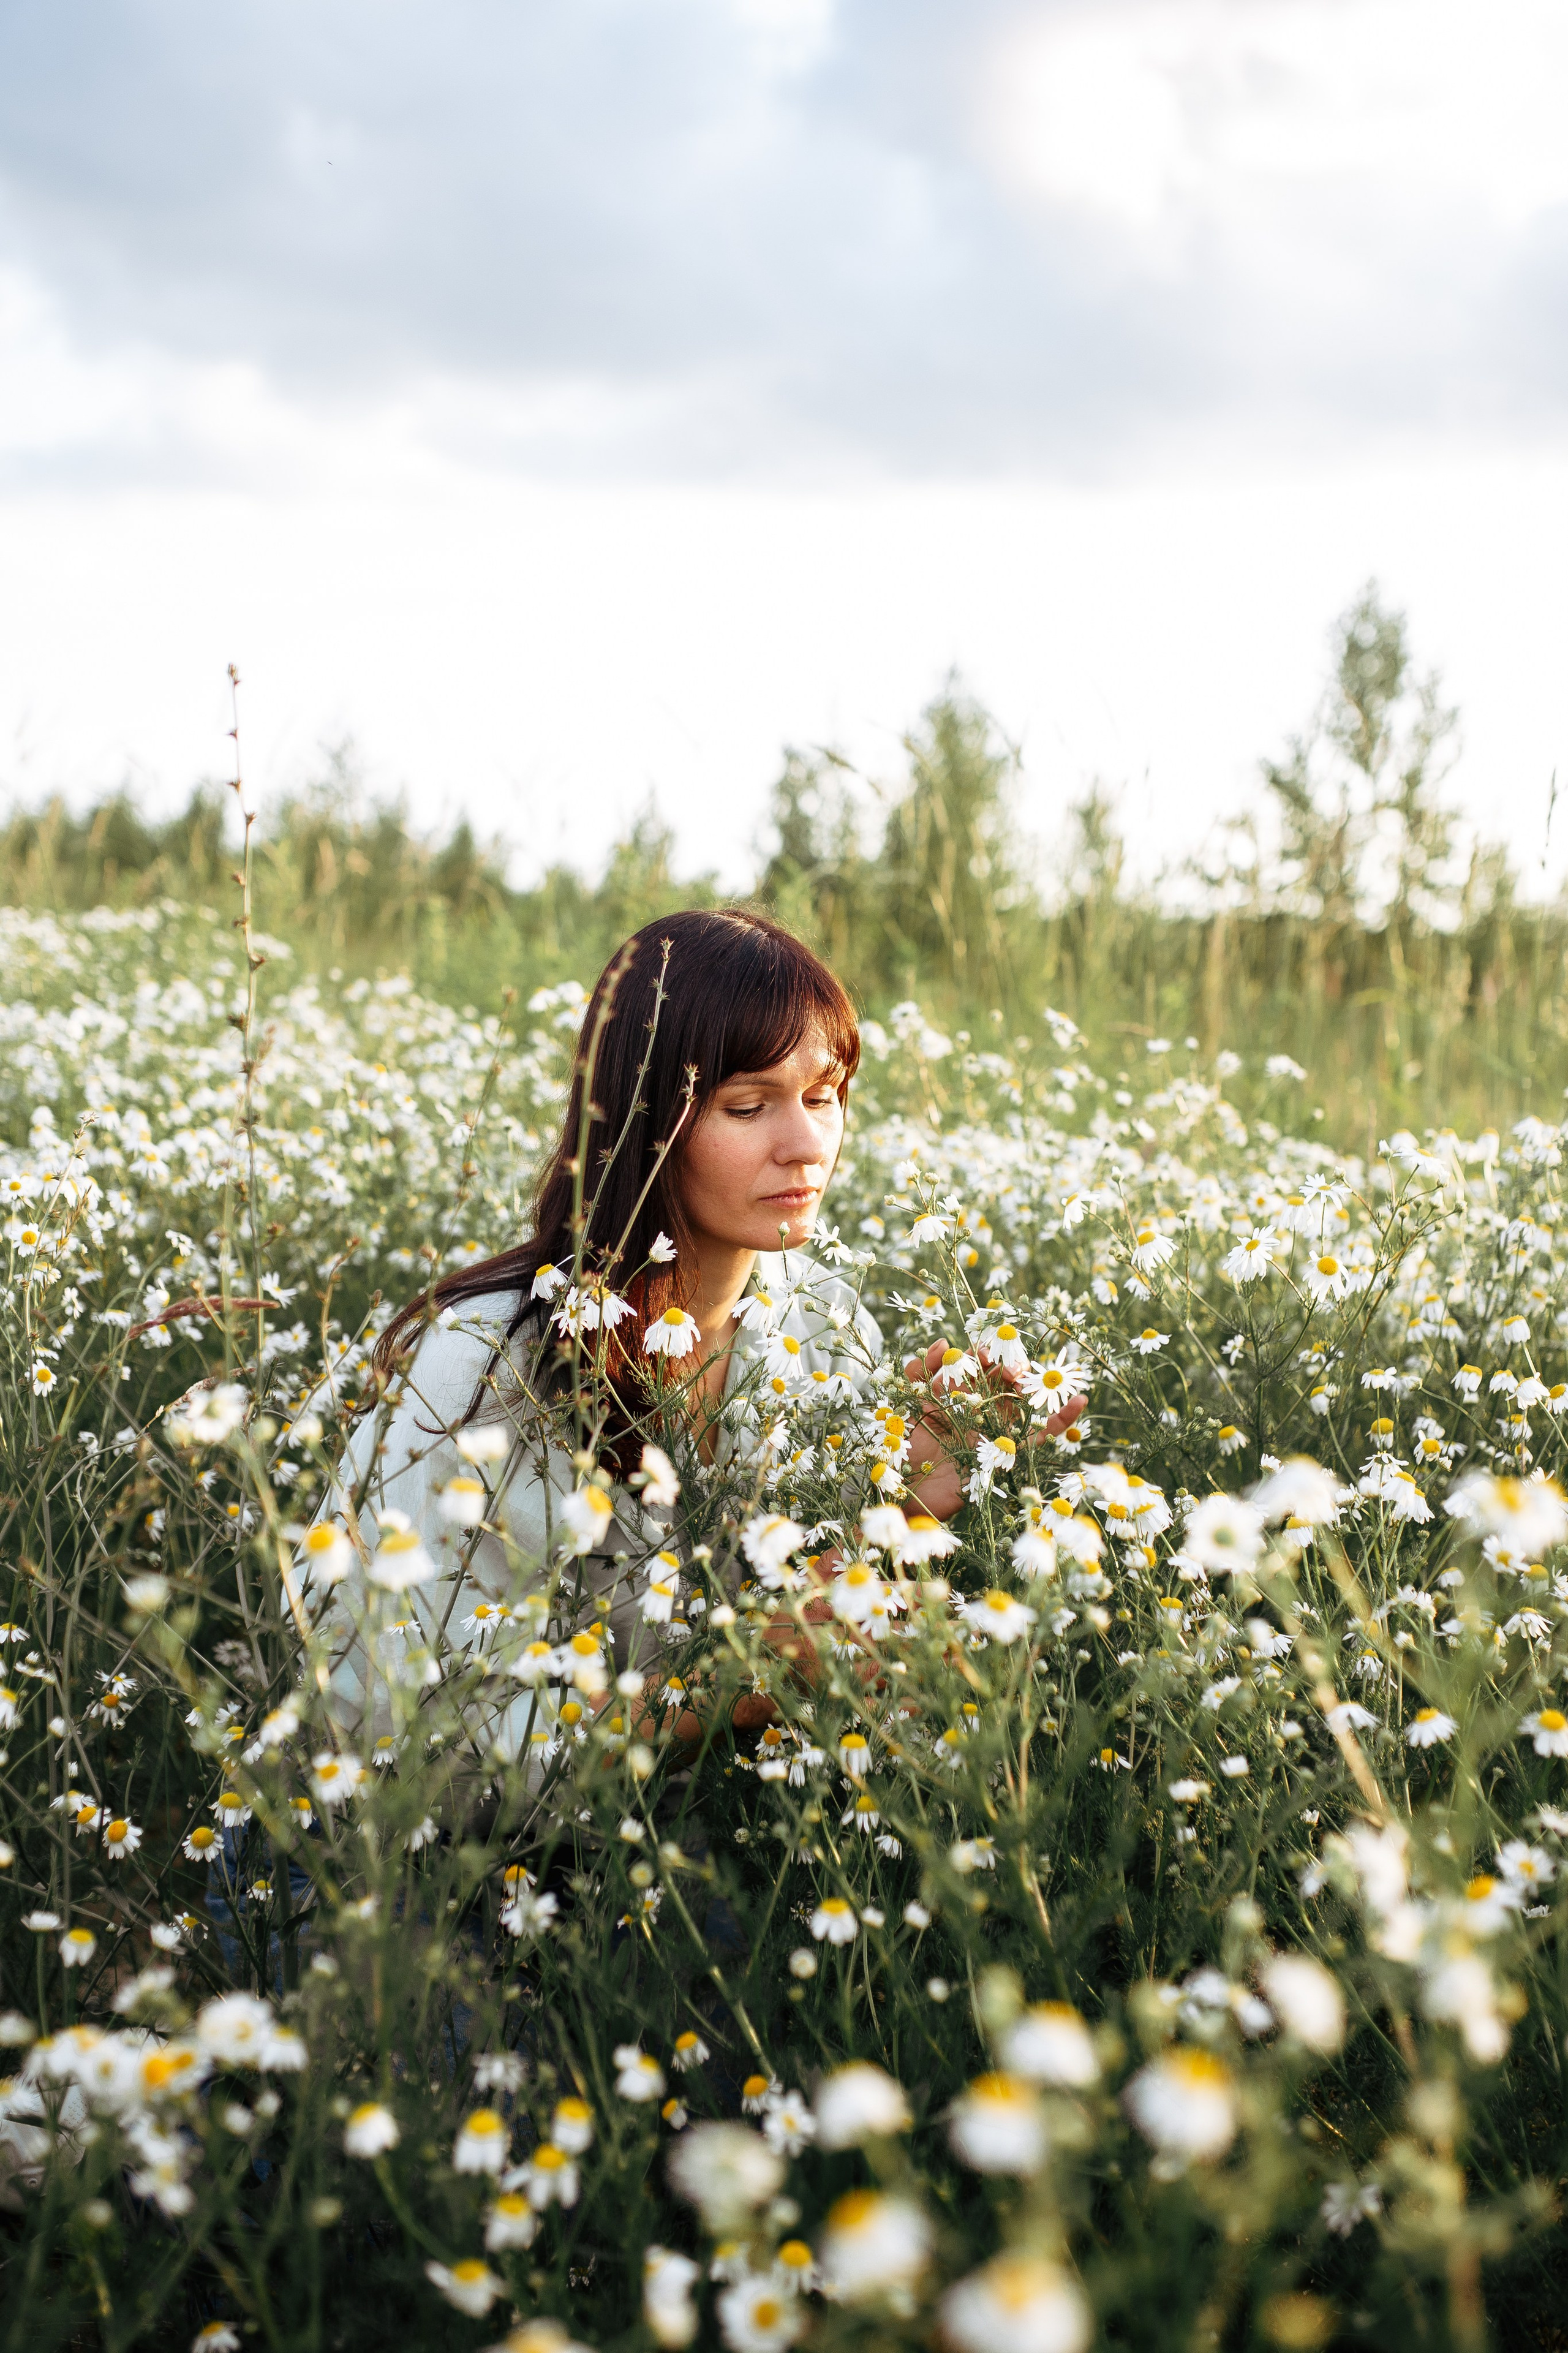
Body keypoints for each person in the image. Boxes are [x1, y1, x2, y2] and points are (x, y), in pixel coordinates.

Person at [312, 908, 1082, 1761]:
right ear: (648, 1122)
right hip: (413, 1873)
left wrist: (907, 1496)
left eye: (823, 1096)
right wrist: (740, 1682)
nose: (806, 1146)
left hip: (685, 1845)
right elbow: (401, 1737)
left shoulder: (818, 1319)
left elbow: (806, 1613)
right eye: (748, 1106)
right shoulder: (487, 1368)